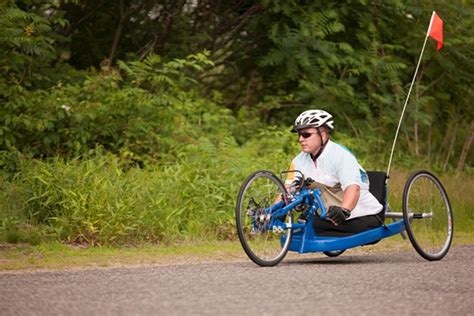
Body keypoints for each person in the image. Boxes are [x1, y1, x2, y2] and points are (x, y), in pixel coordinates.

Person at [285, 109, 383, 236]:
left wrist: (344, 210)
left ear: (323, 134)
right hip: (329, 217)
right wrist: (271, 213)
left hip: (362, 215)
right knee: (298, 228)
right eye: (299, 135)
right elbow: (287, 189)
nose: (301, 139)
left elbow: (353, 188)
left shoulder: (341, 156)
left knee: (304, 230)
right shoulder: (298, 161)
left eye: (306, 134)